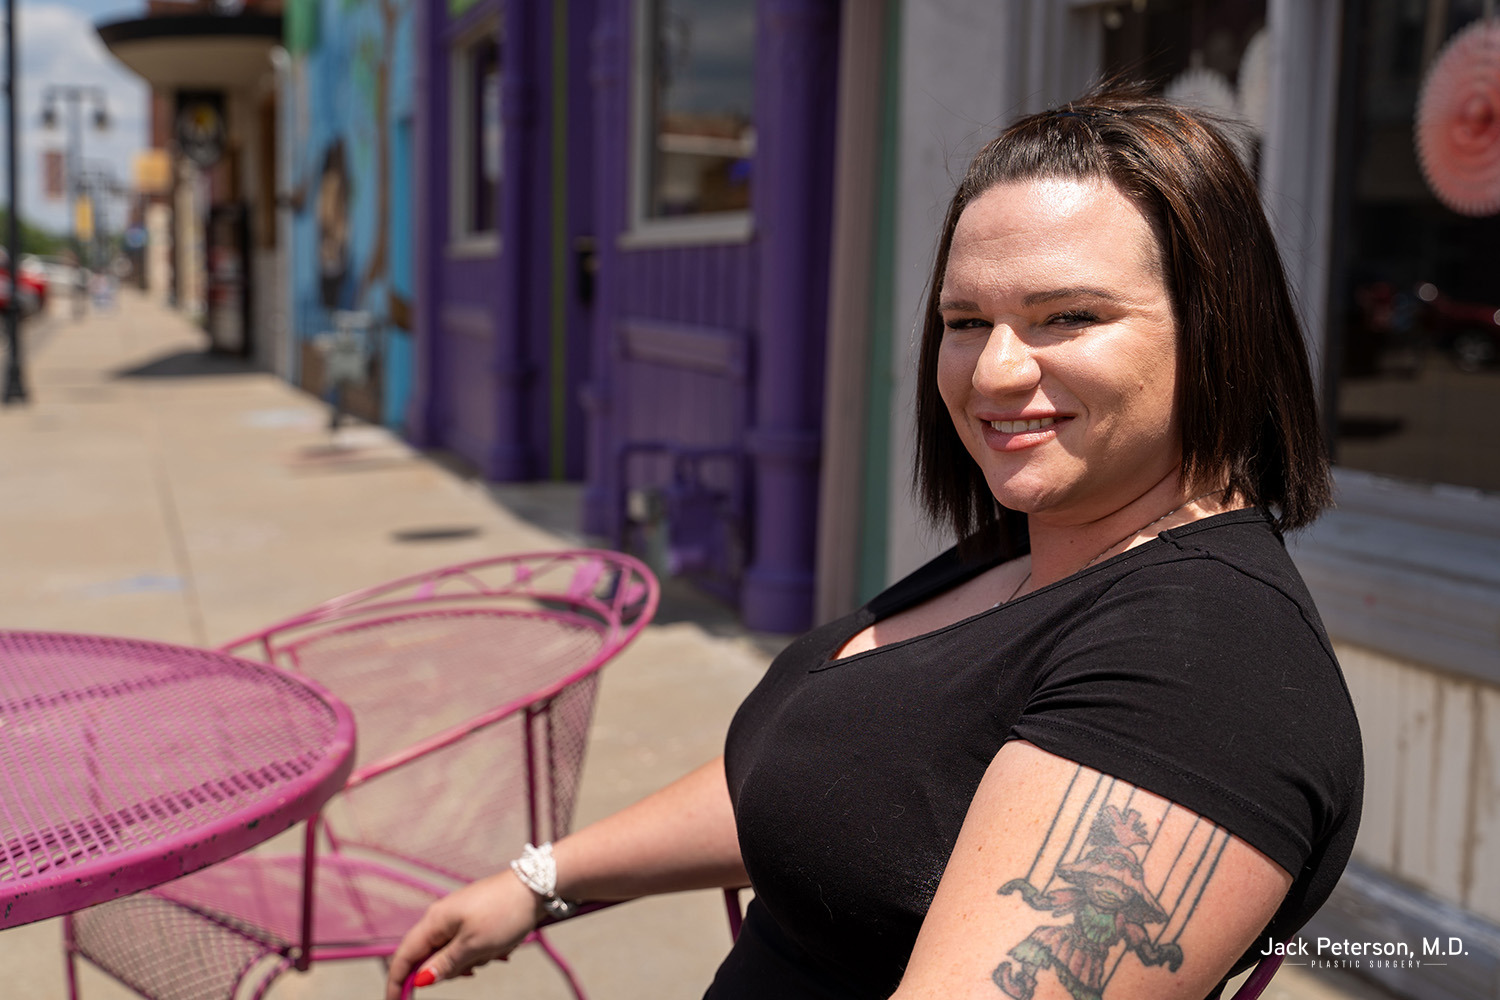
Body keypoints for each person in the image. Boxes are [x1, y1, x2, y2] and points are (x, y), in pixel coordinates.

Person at [385, 84, 1363, 1000]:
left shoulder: (1202, 676)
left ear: (1217, 330)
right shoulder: (1034, 544)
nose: (997, 369)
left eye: (1069, 316)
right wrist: (542, 879)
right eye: (966, 320)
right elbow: (835, 778)